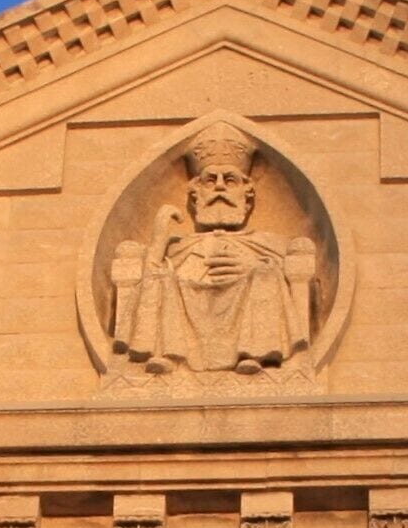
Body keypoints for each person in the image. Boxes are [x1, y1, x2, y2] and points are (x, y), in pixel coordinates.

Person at [110, 121, 316, 374]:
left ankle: (254, 354)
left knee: (265, 272)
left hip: (245, 306)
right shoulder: (178, 246)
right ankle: (166, 353)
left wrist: (253, 267)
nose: (219, 187)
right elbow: (151, 273)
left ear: (247, 196)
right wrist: (159, 237)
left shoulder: (269, 243)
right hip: (187, 307)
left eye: (230, 181)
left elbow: (289, 279)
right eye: (210, 182)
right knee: (158, 275)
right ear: (195, 197)